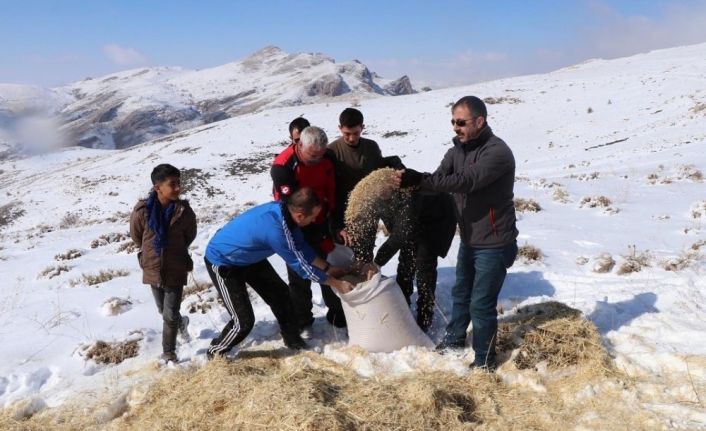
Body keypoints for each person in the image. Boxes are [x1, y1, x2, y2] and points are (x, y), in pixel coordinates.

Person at [400, 96, 518, 370]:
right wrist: (411, 181)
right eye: (453, 121)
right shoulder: (456, 151)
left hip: (494, 242)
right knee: (461, 293)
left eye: (461, 122)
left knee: (481, 304)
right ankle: (454, 340)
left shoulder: (497, 152)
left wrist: (421, 180)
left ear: (479, 121)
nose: (455, 127)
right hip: (469, 239)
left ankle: (484, 361)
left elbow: (467, 181)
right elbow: (439, 180)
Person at [203, 188, 355, 359]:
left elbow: (301, 248)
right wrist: (337, 284)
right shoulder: (277, 231)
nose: (314, 220)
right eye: (313, 216)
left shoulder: (287, 215)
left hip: (250, 256)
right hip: (224, 261)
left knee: (281, 295)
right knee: (243, 322)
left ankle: (293, 341)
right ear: (300, 215)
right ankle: (216, 352)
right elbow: (302, 268)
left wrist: (327, 268)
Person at [271, 124, 346, 328]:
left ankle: (337, 314)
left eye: (319, 156)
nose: (316, 161)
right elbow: (290, 206)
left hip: (321, 218)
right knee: (300, 272)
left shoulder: (327, 158)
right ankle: (302, 320)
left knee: (327, 265)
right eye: (312, 157)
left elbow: (334, 189)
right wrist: (310, 232)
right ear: (299, 145)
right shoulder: (283, 166)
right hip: (295, 223)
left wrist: (334, 221)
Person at [130, 164, 197, 363]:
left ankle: (169, 353)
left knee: (169, 314)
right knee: (163, 310)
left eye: (179, 183)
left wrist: (174, 251)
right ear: (158, 187)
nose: (178, 188)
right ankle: (181, 323)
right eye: (172, 184)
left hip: (175, 266)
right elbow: (137, 236)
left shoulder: (184, 211)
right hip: (152, 267)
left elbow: (189, 235)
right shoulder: (142, 211)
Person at [373, 190, 456, 332]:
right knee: (405, 265)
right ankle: (402, 310)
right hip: (411, 223)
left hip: (435, 222)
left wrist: (376, 262)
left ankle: (425, 318)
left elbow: (400, 234)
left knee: (424, 269)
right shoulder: (377, 197)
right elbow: (399, 230)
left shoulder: (409, 195)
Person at [328, 107, 403, 246]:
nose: (351, 138)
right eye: (347, 134)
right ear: (339, 128)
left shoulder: (371, 147)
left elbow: (379, 171)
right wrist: (336, 224)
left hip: (370, 208)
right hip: (345, 211)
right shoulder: (332, 151)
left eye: (356, 133)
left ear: (362, 127)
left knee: (367, 249)